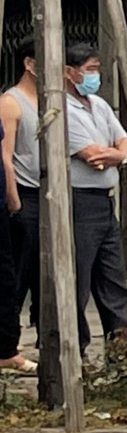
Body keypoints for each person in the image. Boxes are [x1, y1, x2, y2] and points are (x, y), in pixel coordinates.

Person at [62, 42, 127, 349]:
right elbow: (91, 154)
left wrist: (117, 154)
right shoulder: (62, 108)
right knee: (78, 280)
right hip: (80, 201)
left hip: (106, 200)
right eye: (89, 70)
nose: (95, 76)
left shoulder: (100, 104)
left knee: (113, 280)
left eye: (96, 69)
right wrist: (115, 153)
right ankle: (75, 351)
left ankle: (123, 350)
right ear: (69, 72)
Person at [0, 51, 34, 375]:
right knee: (11, 277)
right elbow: (7, 156)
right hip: (16, 199)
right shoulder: (10, 102)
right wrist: (15, 199)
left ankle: (8, 345)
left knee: (10, 277)